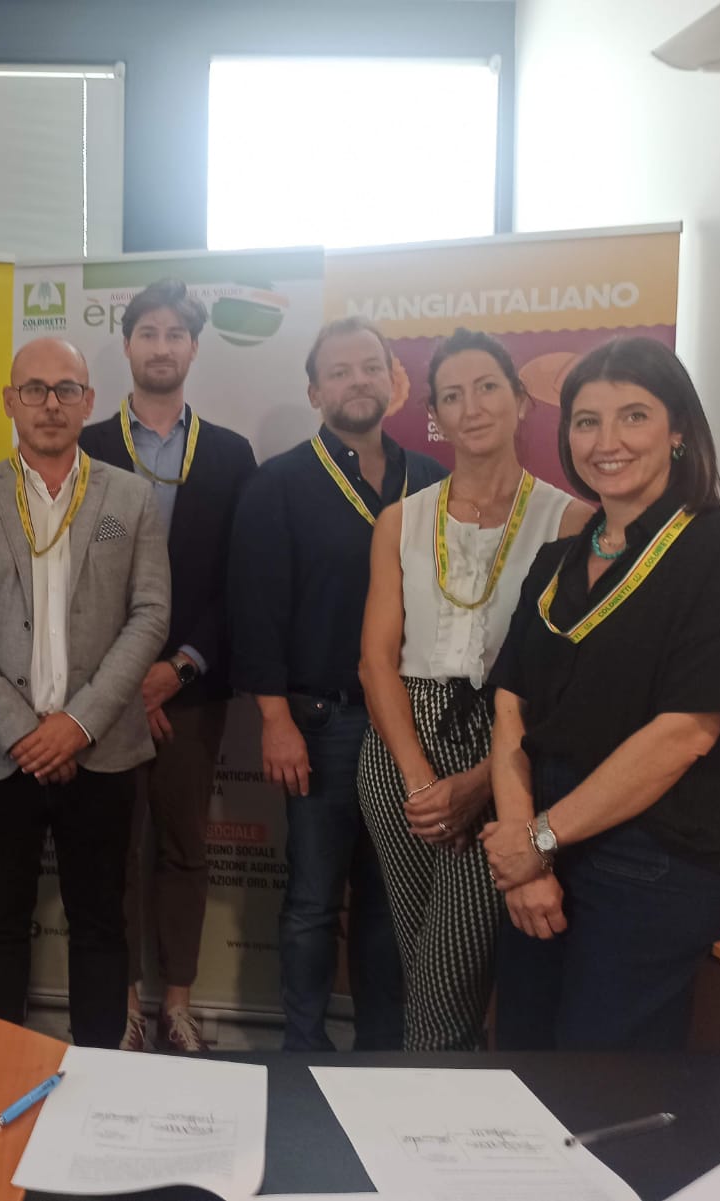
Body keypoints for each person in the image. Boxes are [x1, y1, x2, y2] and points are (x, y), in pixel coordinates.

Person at [480, 336, 720, 1051]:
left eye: (634, 416)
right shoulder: (558, 560)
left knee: (601, 1090)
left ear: (678, 431)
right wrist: (525, 851)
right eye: (587, 421)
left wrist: (538, 839)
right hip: (543, 840)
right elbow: (512, 706)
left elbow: (685, 733)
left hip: (650, 858)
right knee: (521, 1062)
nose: (606, 441)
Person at [0, 336, 170, 1047]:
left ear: (89, 402)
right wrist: (22, 730)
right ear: (10, 402)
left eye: (67, 389)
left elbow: (150, 614)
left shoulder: (130, 497)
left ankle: (96, 1076)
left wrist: (78, 724)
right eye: (34, 389)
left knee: (101, 922)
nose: (50, 404)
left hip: (102, 749)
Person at [356, 329, 592, 1051]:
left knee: (447, 977)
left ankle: (427, 1101)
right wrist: (421, 779)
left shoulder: (570, 519)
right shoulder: (401, 519)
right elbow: (375, 661)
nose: (473, 406)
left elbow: (568, 681)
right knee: (419, 959)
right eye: (453, 396)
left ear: (521, 400)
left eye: (488, 387)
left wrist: (475, 782)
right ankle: (444, 1100)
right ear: (435, 416)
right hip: (399, 749)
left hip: (504, 752)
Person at [229, 316, 444, 1052]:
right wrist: (275, 720)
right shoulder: (278, 484)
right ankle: (303, 1049)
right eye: (341, 371)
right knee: (314, 901)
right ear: (315, 391)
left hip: (413, 725)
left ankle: (381, 1050)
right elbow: (255, 613)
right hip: (323, 723)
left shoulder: (432, 481)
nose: (359, 381)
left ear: (394, 381)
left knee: (391, 901)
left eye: (371, 367)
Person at [79, 278, 256, 1053]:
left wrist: (177, 668)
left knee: (184, 845)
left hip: (192, 689)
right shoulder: (87, 445)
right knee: (111, 850)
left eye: (174, 334)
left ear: (194, 347)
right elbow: (73, 577)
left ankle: (176, 1006)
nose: (161, 346)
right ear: (126, 345)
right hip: (102, 690)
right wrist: (128, 678)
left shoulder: (229, 453)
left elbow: (237, 579)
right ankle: (121, 1006)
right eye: (147, 332)